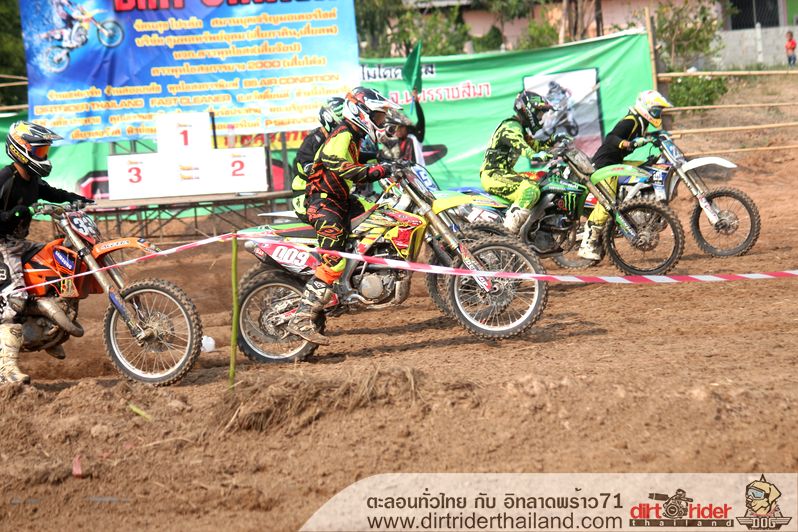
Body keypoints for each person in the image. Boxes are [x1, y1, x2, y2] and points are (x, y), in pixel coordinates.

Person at [285, 87, 399, 345]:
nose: (381, 121)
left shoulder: (353, 136)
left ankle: (361, 271)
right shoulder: (344, 134)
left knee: (379, 215)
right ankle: (301, 317)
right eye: (378, 116)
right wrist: (380, 170)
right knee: (334, 262)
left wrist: (385, 163)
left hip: (340, 199)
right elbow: (344, 169)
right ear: (362, 113)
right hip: (324, 203)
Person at [0, 121, 91, 384]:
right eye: (39, 151)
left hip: (19, 242)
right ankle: (5, 369)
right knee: (15, 299)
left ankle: (46, 331)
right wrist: (12, 214)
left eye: (45, 151)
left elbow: (50, 192)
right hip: (2, 245)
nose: (43, 156)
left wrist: (74, 198)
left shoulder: (32, 179)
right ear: (20, 149)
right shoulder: (5, 179)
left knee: (58, 263)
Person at [577, 89, 673, 260]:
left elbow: (641, 137)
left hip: (616, 163)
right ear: (646, 108)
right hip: (605, 165)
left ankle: (634, 209)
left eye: (660, 111)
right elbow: (611, 137)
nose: (658, 114)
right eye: (656, 110)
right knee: (607, 204)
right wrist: (628, 144)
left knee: (648, 168)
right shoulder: (631, 120)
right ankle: (587, 243)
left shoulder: (641, 123)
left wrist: (656, 135)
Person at [479, 90, 558, 234]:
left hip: (505, 173)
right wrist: (534, 156)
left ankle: (533, 229)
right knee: (530, 190)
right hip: (493, 174)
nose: (541, 117)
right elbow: (521, 146)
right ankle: (507, 236)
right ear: (528, 110)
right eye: (539, 113)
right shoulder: (511, 126)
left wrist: (555, 139)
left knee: (543, 181)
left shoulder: (520, 129)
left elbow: (536, 146)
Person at [291, 96, 345, 222]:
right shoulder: (313, 140)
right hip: (307, 195)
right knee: (333, 222)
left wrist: (376, 158)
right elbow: (309, 168)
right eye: (343, 122)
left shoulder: (336, 140)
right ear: (330, 119)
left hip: (331, 193)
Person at [381, 90, 425, 164]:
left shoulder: (415, 137)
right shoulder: (396, 141)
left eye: (398, 128)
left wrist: (416, 102)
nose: (396, 132)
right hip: (403, 170)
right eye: (395, 129)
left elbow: (421, 119)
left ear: (404, 127)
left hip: (417, 169)